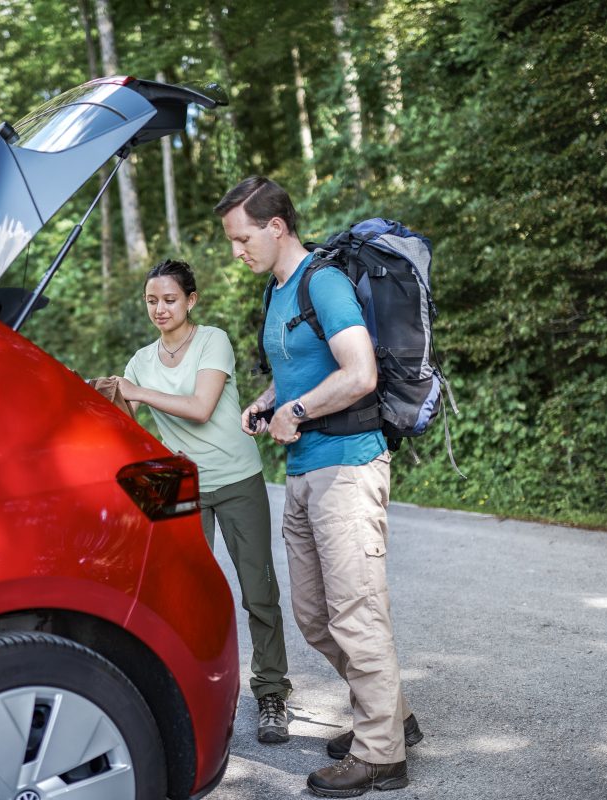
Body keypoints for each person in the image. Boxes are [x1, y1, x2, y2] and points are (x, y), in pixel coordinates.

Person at [214, 176, 422, 797]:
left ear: (276, 227)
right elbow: (301, 371)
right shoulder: (278, 294)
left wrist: (297, 413)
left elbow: (359, 372)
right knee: (313, 616)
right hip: (304, 472)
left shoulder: (323, 282)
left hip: (347, 466)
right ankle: (392, 718)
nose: (236, 251)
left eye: (242, 238)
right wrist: (267, 403)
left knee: (356, 614)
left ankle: (381, 754)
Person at [112, 258, 293, 744]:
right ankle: (192, 693)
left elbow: (200, 407)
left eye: (169, 299)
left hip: (236, 478)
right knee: (182, 597)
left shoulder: (213, 340)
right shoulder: (139, 362)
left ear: (190, 300)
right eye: (151, 300)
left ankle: (272, 691)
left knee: (258, 592)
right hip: (181, 487)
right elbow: (124, 432)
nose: (160, 309)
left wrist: (138, 392)